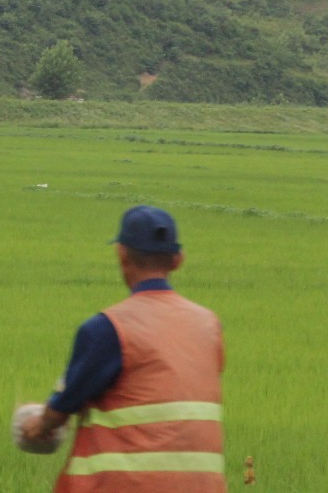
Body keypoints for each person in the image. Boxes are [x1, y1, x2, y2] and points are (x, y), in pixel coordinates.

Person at [19, 205, 226, 490]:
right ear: (178, 260)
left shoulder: (108, 329)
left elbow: (60, 410)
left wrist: (36, 427)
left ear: (121, 253)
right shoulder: (209, 325)